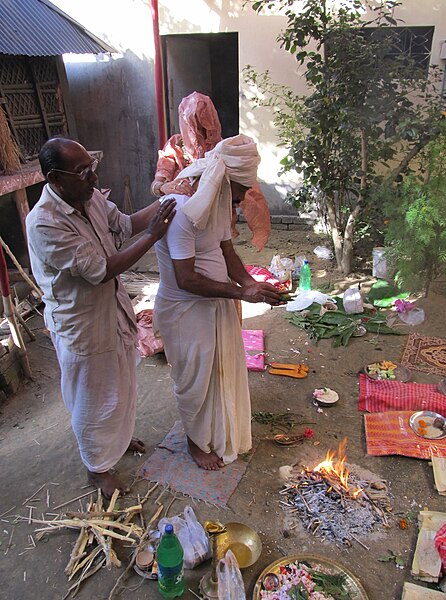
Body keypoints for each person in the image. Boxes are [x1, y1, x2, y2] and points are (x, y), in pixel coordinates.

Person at [26, 137, 176, 498]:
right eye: (82, 173)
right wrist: (155, 232)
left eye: (92, 168)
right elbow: (101, 270)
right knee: (93, 398)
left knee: (121, 387)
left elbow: (124, 224)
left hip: (112, 310)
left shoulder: (87, 195)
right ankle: (97, 467)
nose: (93, 179)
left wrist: (171, 200)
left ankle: (117, 442)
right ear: (54, 179)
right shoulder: (44, 223)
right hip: (82, 324)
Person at [153, 134, 282, 471]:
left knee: (220, 372)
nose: (241, 200)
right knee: (195, 380)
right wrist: (242, 293)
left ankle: (217, 431)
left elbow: (227, 252)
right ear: (222, 183)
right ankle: (195, 442)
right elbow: (187, 279)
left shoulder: (221, 208)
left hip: (217, 302)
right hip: (185, 310)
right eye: (239, 192)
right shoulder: (181, 213)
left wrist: (253, 284)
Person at [150, 91, 271, 251]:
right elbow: (158, 182)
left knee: (217, 256)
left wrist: (258, 228)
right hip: (182, 220)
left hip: (217, 223)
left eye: (206, 126)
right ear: (187, 125)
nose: (202, 133)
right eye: (196, 127)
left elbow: (248, 190)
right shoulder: (175, 146)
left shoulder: (223, 150)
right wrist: (163, 187)